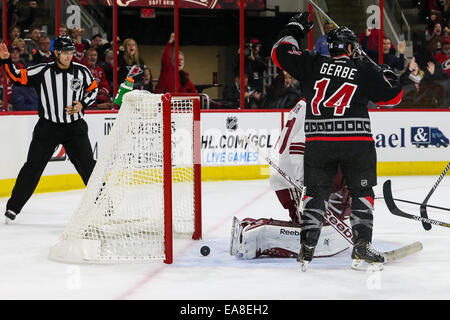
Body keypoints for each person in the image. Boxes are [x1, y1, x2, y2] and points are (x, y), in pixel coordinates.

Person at [271, 12, 403, 271]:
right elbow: (393, 98)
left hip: (319, 142)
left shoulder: (312, 62)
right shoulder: (363, 68)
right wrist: (387, 73)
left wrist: (294, 29)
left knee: (315, 192)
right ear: (352, 48)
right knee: (362, 192)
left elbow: (280, 52)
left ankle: (307, 247)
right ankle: (362, 247)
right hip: (356, 144)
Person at [230, 99, 351, 259]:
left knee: (315, 225)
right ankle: (252, 229)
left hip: (294, 171)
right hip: (291, 177)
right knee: (310, 229)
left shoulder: (311, 99)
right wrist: (304, 182)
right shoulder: (317, 103)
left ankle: (252, 228)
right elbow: (297, 145)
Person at [0, 36, 98, 223]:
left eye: (71, 52)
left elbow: (93, 89)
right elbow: (15, 77)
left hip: (75, 128)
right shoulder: (42, 70)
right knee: (32, 167)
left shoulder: (82, 71)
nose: (69, 56)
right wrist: (5, 60)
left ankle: (104, 207)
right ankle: (13, 208)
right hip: (48, 127)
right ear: (56, 53)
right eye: (64, 52)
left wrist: (82, 104)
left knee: (88, 167)